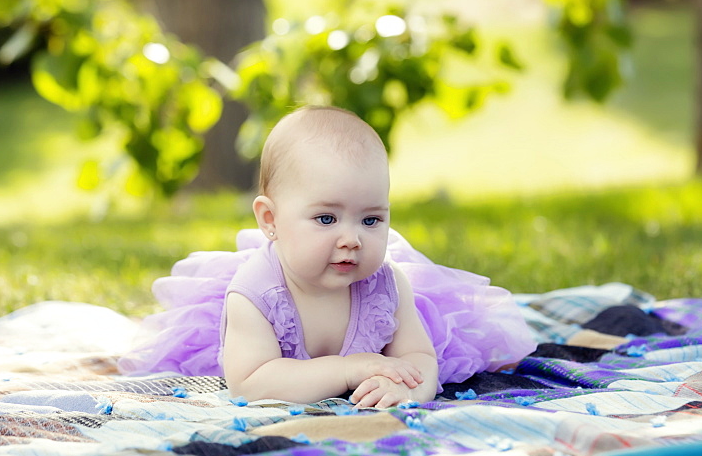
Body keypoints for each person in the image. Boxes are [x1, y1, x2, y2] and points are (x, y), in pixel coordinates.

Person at [118, 106, 536, 407]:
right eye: (325, 218)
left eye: (371, 220)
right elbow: (251, 383)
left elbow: (419, 358)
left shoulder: (387, 286)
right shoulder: (254, 295)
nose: (351, 238)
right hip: (258, 347)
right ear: (270, 219)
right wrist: (349, 369)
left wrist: (410, 387)